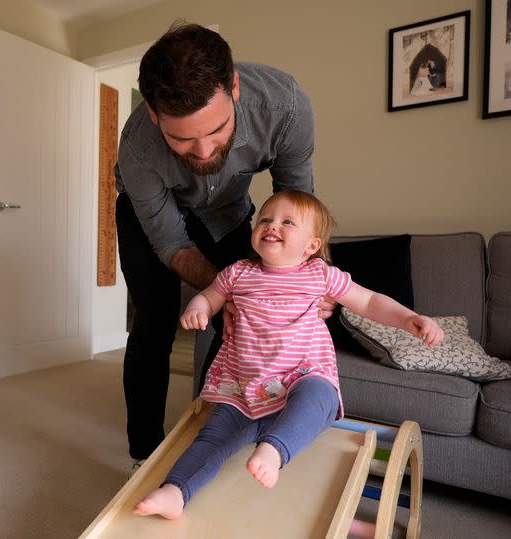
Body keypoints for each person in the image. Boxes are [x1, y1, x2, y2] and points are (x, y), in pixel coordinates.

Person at [133, 190, 444, 519]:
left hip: (302, 375)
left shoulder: (320, 274)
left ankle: (273, 450)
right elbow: (209, 297)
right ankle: (175, 492)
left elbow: (368, 302)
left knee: (320, 396)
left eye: (287, 222)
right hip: (246, 385)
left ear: (311, 245)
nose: (271, 225)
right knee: (211, 438)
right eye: (264, 219)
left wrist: (409, 318)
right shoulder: (239, 272)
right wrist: (197, 308)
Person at [115, 21, 322, 467]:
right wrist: (227, 289)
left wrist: (308, 283)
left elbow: (299, 212)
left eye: (217, 130)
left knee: (238, 321)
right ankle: (143, 454)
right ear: (154, 114)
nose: (205, 152)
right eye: (183, 139)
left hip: (227, 208)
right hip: (149, 214)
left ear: (234, 87)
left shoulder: (284, 107)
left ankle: (217, 435)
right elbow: (171, 243)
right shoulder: (136, 149)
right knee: (155, 321)